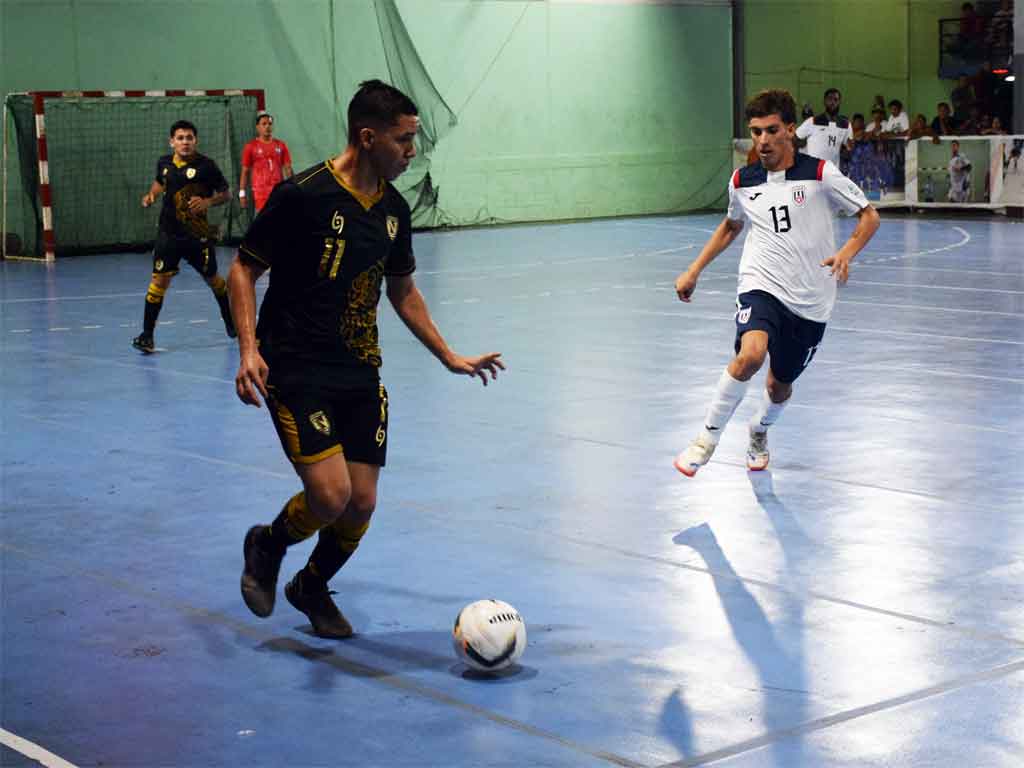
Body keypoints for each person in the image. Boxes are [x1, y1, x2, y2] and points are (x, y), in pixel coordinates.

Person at [229, 80, 505, 638]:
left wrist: (447, 355)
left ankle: (310, 586)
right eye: (403, 140)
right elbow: (243, 268)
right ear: (367, 137)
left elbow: (403, 290)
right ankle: (267, 544)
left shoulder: (394, 210)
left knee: (361, 503)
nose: (411, 152)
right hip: (295, 365)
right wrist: (249, 349)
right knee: (330, 496)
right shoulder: (303, 195)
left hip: (359, 370)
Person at [672, 89, 880, 477]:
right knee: (750, 355)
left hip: (811, 300)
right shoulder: (742, 180)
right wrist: (694, 270)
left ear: (789, 129)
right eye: (756, 132)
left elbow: (869, 216)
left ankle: (759, 430)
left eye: (771, 130)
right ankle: (705, 439)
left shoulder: (820, 174)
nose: (763, 140)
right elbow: (731, 226)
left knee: (778, 386)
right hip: (761, 283)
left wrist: (846, 253)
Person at [133, 120, 234, 353]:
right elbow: (160, 182)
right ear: (172, 142)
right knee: (158, 282)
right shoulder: (164, 163)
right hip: (168, 235)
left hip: (197, 236)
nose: (185, 142)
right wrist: (151, 195)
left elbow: (226, 194)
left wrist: (208, 201)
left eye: (189, 138)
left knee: (214, 281)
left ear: (195, 141)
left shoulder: (207, 166)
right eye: (180, 138)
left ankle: (231, 322)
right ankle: (147, 336)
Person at [239, 110, 293, 214]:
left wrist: (292, 189)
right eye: (264, 124)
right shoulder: (251, 147)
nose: (267, 126)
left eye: (270, 124)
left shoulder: (281, 145)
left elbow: (288, 169)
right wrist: (242, 193)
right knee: (262, 222)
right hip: (261, 197)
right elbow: (245, 172)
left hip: (279, 194)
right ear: (257, 127)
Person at [794, 87, 851, 167]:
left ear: (839, 102)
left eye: (836, 100)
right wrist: (803, 144)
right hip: (813, 170)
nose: (832, 102)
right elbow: (794, 139)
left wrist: (846, 150)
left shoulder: (846, 125)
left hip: (832, 171)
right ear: (824, 101)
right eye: (830, 99)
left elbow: (848, 149)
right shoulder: (812, 121)